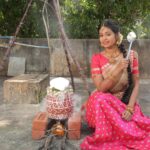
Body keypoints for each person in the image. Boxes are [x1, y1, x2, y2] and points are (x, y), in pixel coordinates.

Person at [80, 19, 150, 150]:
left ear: (117, 36)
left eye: (108, 34)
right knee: (101, 97)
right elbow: (101, 88)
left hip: (124, 103)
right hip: (101, 107)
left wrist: (130, 107)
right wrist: (118, 68)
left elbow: (136, 83)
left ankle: (123, 129)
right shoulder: (97, 58)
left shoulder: (131, 55)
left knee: (137, 124)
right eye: (101, 35)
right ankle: (118, 131)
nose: (104, 38)